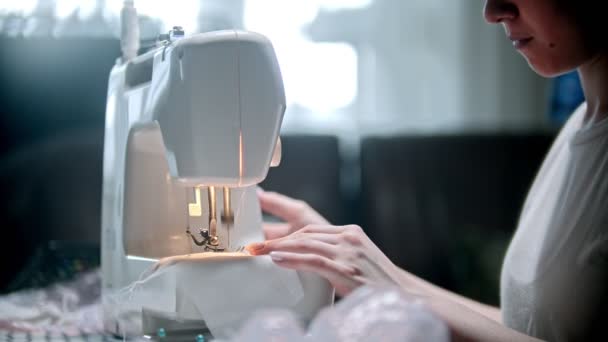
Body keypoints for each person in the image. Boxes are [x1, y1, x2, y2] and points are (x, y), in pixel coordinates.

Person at [246, 0, 608, 341]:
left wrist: (391, 289)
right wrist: (362, 263)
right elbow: (527, 328)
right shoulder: (581, 124)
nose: (492, 11)